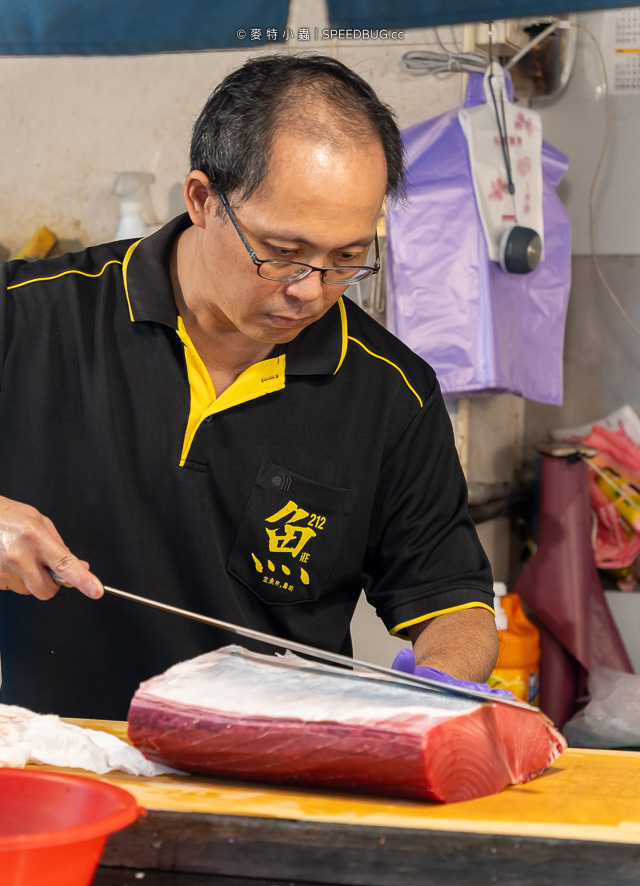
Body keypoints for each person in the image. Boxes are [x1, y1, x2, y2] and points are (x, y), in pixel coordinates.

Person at [0, 54, 497, 721]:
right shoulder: (29, 319)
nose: (310, 291)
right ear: (203, 200)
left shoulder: (391, 393)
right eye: (283, 251)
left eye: (348, 258)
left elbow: (453, 602)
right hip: (55, 770)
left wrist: (442, 686)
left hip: (270, 782)